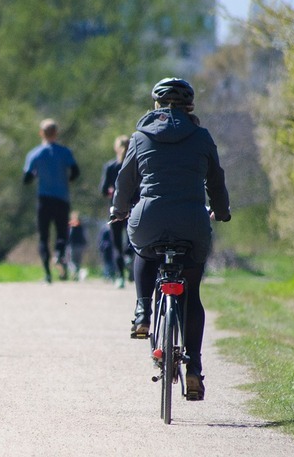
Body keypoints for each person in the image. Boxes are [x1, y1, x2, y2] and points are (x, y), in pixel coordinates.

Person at [111, 77, 231, 401]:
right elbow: (216, 182)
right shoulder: (202, 137)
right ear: (190, 107)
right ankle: (194, 368)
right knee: (192, 293)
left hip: (149, 219)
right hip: (192, 223)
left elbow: (124, 181)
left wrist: (118, 210)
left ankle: (142, 312)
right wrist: (221, 211)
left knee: (143, 250)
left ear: (156, 105)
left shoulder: (139, 136)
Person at [23, 118, 80, 283]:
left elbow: (26, 178)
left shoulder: (35, 154)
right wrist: (65, 179)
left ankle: (47, 274)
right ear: (56, 133)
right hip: (62, 198)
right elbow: (76, 172)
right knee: (62, 233)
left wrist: (36, 174)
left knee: (44, 236)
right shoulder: (65, 152)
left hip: (44, 199)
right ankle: (59, 253)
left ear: (41, 133)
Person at [100, 135, 133, 289]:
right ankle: (129, 257)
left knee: (116, 245)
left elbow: (103, 190)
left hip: (115, 209)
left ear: (116, 148)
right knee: (132, 239)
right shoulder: (134, 165)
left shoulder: (110, 167)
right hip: (133, 208)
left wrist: (111, 191)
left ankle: (120, 277)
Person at [66, 211, 87, 281]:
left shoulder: (71, 226)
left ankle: (75, 273)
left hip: (73, 246)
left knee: (71, 261)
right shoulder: (81, 225)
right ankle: (77, 275)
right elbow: (84, 236)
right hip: (80, 246)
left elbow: (69, 236)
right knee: (78, 261)